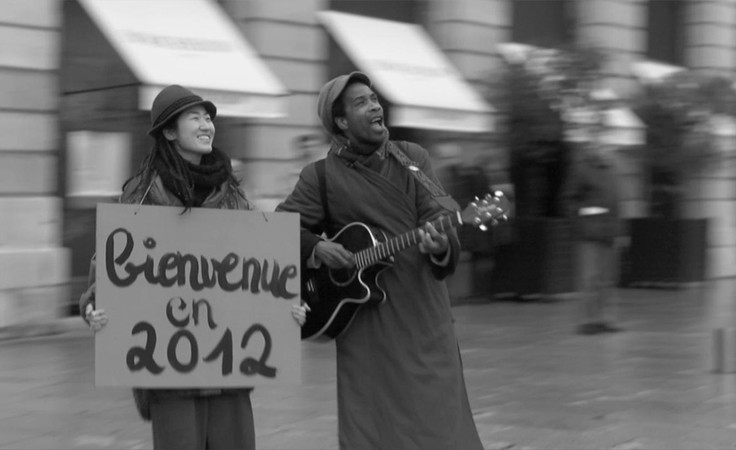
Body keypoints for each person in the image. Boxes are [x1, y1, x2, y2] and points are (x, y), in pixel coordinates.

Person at [277, 72, 485, 450]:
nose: (375, 106)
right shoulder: (319, 177)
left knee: (440, 423)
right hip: (367, 326)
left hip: (425, 317)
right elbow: (278, 228)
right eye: (361, 102)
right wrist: (315, 248)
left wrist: (441, 243)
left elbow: (443, 212)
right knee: (373, 427)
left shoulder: (416, 158)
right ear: (340, 122)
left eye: (375, 99)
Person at [79, 84, 257, 450]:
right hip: (170, 367)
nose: (207, 124)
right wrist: (94, 304)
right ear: (170, 131)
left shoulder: (232, 192)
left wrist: (283, 305)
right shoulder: (142, 193)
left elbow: (257, 263)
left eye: (209, 117)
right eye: (195, 117)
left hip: (228, 360)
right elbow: (112, 260)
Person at [561, 142, 625, 335]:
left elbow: (616, 206)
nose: (606, 150)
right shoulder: (582, 169)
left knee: (607, 279)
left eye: (609, 147)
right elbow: (569, 199)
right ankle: (587, 320)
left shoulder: (612, 172)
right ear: (593, 149)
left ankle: (605, 319)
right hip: (588, 234)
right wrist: (583, 220)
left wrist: (619, 232)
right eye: (602, 146)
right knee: (589, 278)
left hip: (608, 233)